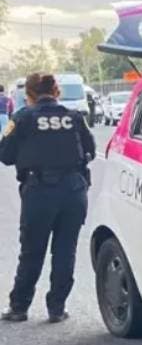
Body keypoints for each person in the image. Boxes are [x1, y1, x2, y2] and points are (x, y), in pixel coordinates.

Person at [0, 73, 96, 323]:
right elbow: (91, 150)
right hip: (74, 191)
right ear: (57, 92)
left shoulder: (22, 118)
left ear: (29, 95)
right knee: (66, 251)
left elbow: (5, 155)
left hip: (39, 191)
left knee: (32, 251)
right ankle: (56, 308)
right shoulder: (74, 117)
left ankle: (19, 307)